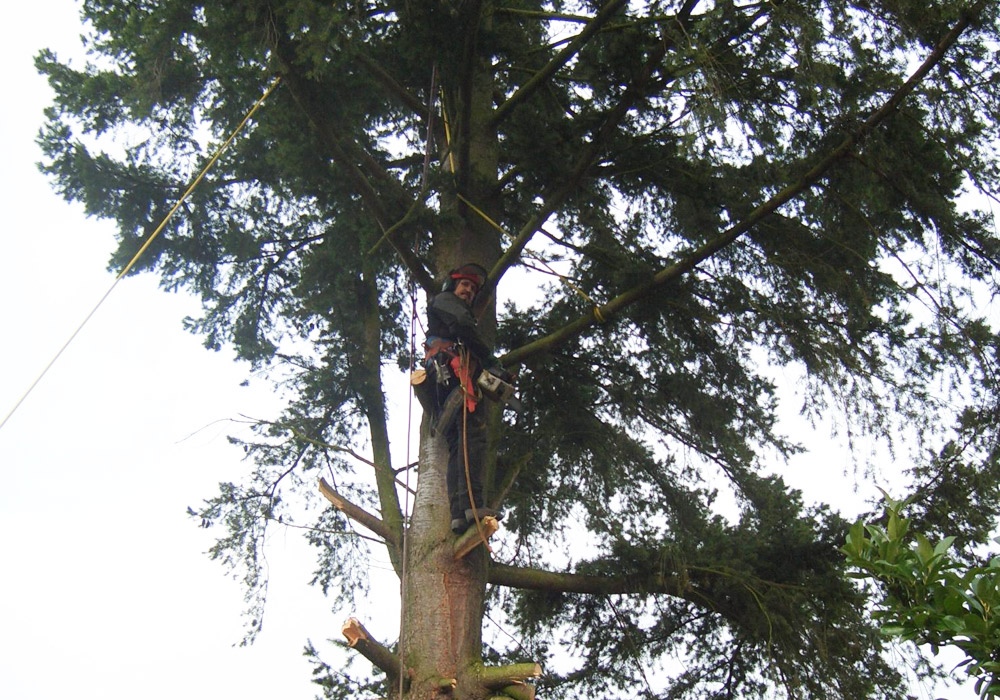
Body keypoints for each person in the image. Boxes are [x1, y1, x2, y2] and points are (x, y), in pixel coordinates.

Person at [424, 263, 508, 534]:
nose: (469, 291)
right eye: (465, 285)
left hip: (444, 379)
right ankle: (474, 503)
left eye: (473, 289)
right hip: (451, 373)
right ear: (452, 286)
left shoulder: (448, 307)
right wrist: (489, 358)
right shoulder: (445, 300)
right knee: (472, 437)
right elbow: (462, 324)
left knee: (459, 444)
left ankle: (459, 513)